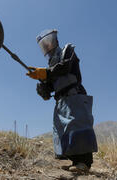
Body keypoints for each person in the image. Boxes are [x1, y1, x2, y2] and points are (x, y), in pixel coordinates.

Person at [26, 29, 98, 172]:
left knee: (78, 125)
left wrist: (46, 73)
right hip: (62, 101)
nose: (47, 46)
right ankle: (76, 162)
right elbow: (48, 92)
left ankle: (85, 163)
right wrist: (42, 86)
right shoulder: (51, 67)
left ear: (56, 41)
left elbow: (65, 67)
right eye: (43, 45)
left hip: (74, 95)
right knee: (65, 129)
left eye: (48, 42)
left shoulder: (68, 50)